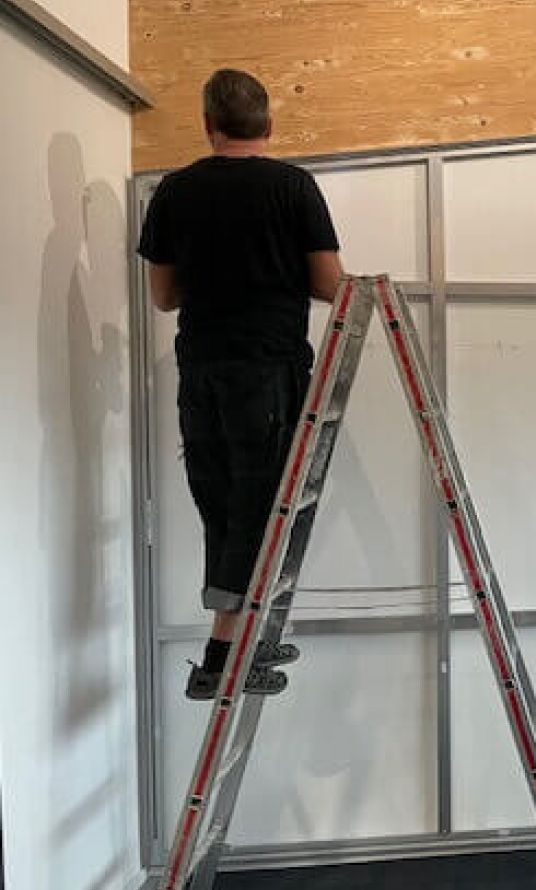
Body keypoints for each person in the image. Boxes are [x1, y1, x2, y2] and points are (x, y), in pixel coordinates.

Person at [138, 69, 345, 700]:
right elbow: (329, 284)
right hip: (268, 370)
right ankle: (223, 656)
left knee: (223, 505)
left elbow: (164, 296)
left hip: (202, 373)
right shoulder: (292, 187)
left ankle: (240, 640)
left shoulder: (174, 191)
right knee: (261, 507)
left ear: (208, 124)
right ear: (269, 124)